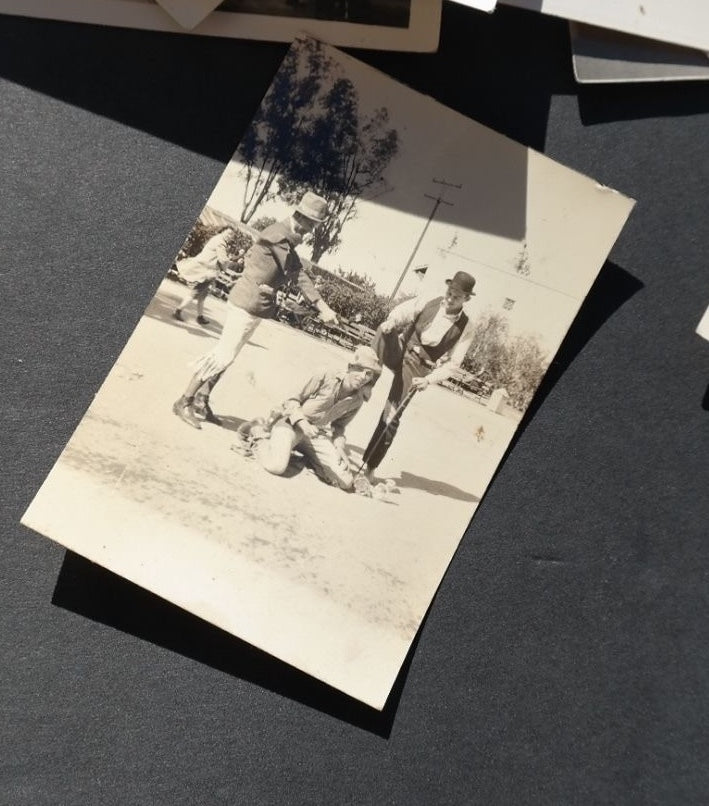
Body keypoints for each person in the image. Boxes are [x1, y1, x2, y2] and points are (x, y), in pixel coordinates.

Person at [172, 191, 339, 429]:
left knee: (228, 356)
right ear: (301, 216)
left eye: (315, 225)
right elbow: (296, 273)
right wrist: (322, 307)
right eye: (311, 223)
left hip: (254, 305)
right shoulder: (279, 235)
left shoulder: (284, 237)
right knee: (222, 355)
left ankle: (201, 399)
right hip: (246, 303)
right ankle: (184, 400)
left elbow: (266, 262)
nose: (311, 230)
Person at [360, 270, 477, 478]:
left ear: (466, 299)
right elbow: (401, 311)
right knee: (383, 329)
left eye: (457, 297)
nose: (450, 299)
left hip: (418, 367)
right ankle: (366, 383)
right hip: (400, 348)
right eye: (449, 292)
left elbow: (453, 364)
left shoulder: (467, 327)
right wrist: (392, 321)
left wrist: (428, 380)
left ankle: (370, 468)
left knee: (392, 414)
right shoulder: (430, 300)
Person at [235, 346, 382, 491]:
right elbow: (291, 400)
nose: (363, 376)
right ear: (350, 367)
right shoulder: (325, 375)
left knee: (346, 481)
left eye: (368, 374)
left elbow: (339, 426)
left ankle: (306, 456)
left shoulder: (357, 400)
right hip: (291, 424)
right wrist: (303, 423)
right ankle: (257, 431)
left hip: (316, 435)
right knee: (276, 466)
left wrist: (339, 447)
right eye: (360, 369)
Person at [172, 227, 236, 325]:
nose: (229, 236)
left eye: (231, 235)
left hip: (204, 267)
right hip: (207, 271)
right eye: (228, 233)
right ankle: (178, 310)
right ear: (223, 231)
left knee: (202, 294)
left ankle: (200, 317)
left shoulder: (216, 238)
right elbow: (223, 259)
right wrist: (226, 266)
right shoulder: (221, 243)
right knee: (196, 291)